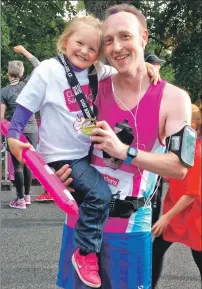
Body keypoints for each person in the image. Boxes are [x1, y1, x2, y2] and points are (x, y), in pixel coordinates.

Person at [7, 15, 159, 288]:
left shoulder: (96, 71)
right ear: (65, 42)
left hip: (86, 152)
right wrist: (14, 137)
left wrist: (147, 66)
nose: (85, 52)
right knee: (100, 194)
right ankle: (86, 253)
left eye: (92, 49)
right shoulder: (48, 71)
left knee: (92, 196)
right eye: (79, 44)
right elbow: (25, 108)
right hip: (62, 157)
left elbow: (126, 70)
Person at [54, 4, 194, 289]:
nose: (116, 46)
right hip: (82, 222)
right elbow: (60, 134)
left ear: (143, 37)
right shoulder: (92, 87)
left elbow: (179, 168)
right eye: (108, 40)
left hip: (130, 227)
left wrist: (124, 151)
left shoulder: (174, 98)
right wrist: (59, 173)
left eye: (125, 36)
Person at [152, 104, 202, 288]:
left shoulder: (195, 151)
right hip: (177, 212)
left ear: (193, 126)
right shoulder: (184, 148)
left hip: (192, 215)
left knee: (199, 257)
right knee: (155, 252)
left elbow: (191, 193)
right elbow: (174, 176)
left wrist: (166, 217)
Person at [1, 46, 39, 209]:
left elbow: (1, 118)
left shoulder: (4, 91)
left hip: (15, 131)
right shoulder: (28, 85)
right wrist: (24, 51)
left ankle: (20, 200)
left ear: (9, 74)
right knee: (29, 163)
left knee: (18, 165)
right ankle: (28, 196)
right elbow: (38, 65)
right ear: (22, 73)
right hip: (31, 129)